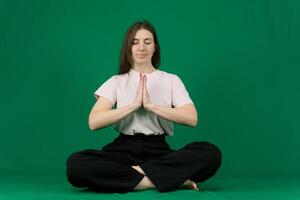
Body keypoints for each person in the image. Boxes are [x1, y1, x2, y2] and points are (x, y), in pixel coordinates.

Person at [66, 20, 222, 193]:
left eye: (147, 42)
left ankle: (133, 176)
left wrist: (151, 106)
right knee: (76, 164)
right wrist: (133, 106)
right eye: (135, 42)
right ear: (128, 48)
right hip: (122, 150)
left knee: (211, 153)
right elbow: (94, 122)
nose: (141, 47)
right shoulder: (116, 81)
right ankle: (160, 179)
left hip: (159, 151)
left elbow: (192, 118)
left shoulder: (171, 80)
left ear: (155, 47)